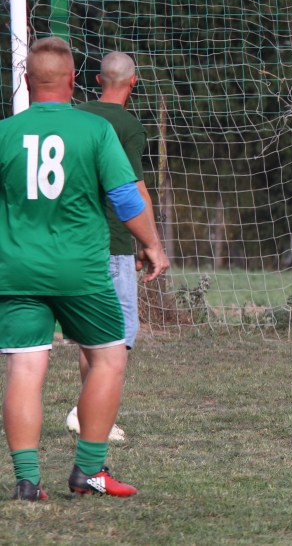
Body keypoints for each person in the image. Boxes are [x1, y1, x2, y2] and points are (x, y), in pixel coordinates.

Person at [0, 37, 169, 500]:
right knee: (109, 358)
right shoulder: (95, 130)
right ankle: (90, 471)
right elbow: (126, 199)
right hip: (82, 272)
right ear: (74, 81)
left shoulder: (5, 133)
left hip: (17, 271)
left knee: (24, 370)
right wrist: (152, 245)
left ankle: (27, 482)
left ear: (25, 81)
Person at [65, 51, 153, 443]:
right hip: (113, 241)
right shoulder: (128, 126)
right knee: (117, 334)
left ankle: (85, 410)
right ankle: (89, 413)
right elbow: (134, 189)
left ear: (99, 80)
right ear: (134, 82)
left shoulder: (75, 117)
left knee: (90, 333)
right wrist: (150, 243)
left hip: (74, 240)